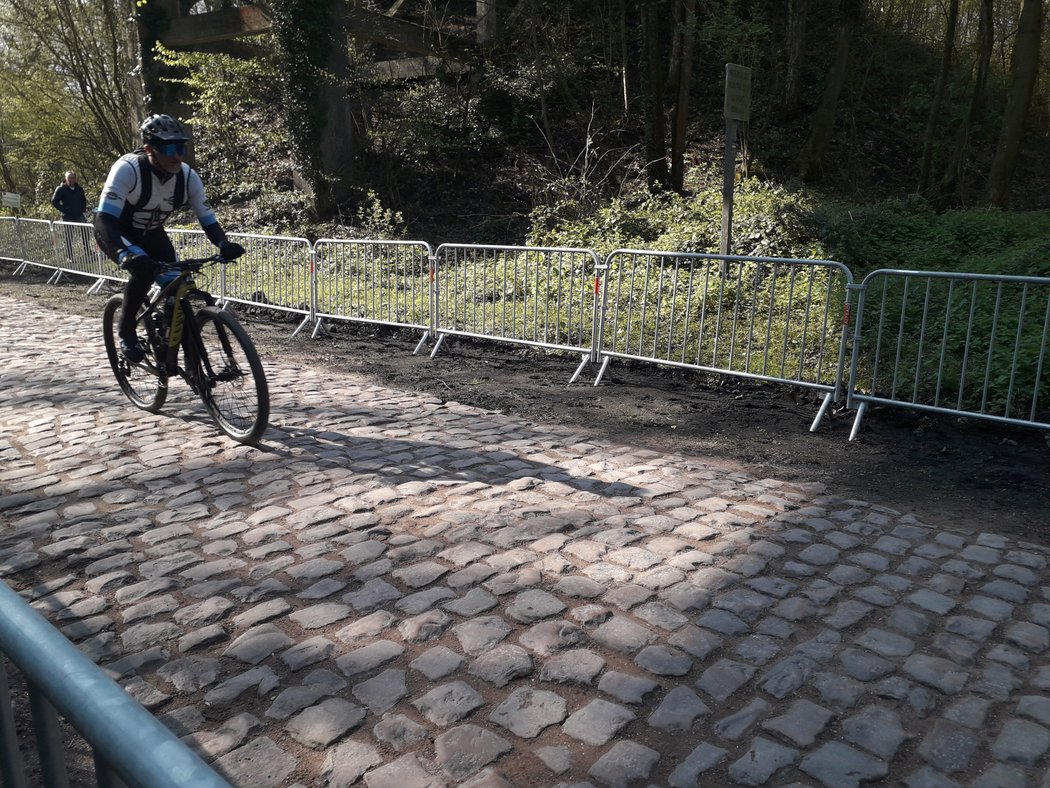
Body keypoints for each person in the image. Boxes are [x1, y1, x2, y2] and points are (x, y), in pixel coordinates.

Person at [93, 114, 244, 363]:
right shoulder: (128, 169)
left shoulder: (187, 176)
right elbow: (104, 220)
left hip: (153, 234)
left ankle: (175, 342)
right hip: (118, 233)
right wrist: (124, 254)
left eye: (181, 148)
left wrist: (222, 243)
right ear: (150, 149)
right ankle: (127, 333)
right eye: (170, 148)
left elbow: (207, 218)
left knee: (178, 285)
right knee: (142, 272)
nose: (177, 155)